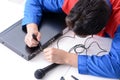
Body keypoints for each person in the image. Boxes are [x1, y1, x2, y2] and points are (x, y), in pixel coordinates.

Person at [22, 0, 120, 78]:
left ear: (102, 28)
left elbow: (117, 66)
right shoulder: (71, 1)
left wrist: (67, 58)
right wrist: (31, 27)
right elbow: (35, 1)